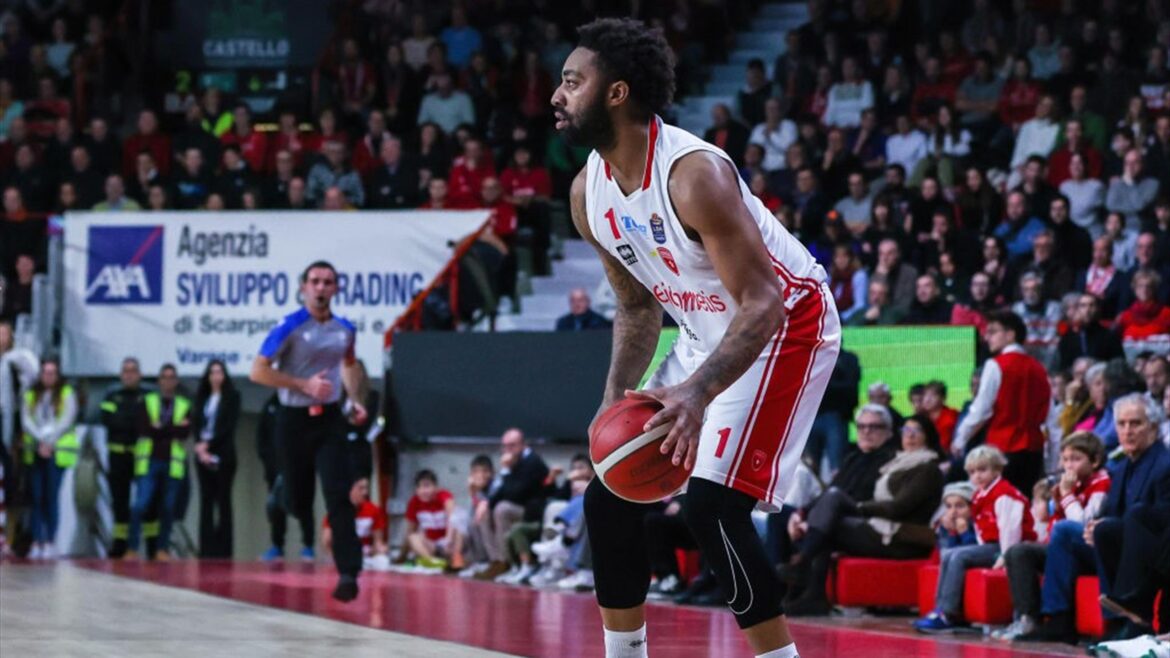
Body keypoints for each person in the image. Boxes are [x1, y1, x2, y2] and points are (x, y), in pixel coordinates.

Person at [552, 19, 841, 658]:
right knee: (609, 493)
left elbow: (764, 304)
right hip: (702, 334)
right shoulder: (587, 193)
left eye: (572, 82)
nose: (557, 95)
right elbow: (635, 308)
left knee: (711, 508)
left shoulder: (693, 175)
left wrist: (696, 393)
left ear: (617, 93)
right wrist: (613, 399)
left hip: (785, 326)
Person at [250, 260, 369, 602]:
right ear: (303, 287)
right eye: (315, 281)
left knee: (339, 494)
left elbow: (348, 365)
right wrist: (303, 384)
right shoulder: (289, 327)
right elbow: (257, 372)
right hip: (293, 421)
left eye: (327, 282)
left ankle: (348, 573)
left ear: (336, 289)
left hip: (329, 419)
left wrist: (354, 400)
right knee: (299, 501)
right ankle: (284, 495)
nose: (321, 288)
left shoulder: (344, 329)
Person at [1021, 395, 1170, 643]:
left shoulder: (1165, 464)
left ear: (1153, 428)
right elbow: (1111, 514)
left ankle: (1121, 620)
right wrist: (1096, 526)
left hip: (1153, 550)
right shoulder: (1121, 467)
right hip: (1121, 542)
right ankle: (1058, 619)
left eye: (1136, 423)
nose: (1127, 431)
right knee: (1068, 533)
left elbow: (1162, 520)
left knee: (1107, 528)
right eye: (1121, 424)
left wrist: (1106, 525)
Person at [779, 411, 941, 615]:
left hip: (901, 537)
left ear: (927, 436)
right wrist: (803, 513)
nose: (910, 435)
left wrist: (859, 508)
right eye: (907, 429)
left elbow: (898, 507)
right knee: (822, 518)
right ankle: (806, 590)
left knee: (832, 511)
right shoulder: (895, 463)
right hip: (880, 527)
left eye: (917, 430)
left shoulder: (928, 469)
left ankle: (805, 577)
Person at [994, 431, 1110, 641]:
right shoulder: (1074, 484)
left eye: (1076, 459)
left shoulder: (1102, 483)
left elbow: (1082, 524)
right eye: (1065, 459)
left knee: (1062, 531)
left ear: (1094, 461)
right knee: (1018, 552)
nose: (1069, 466)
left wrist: (1067, 495)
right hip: (1065, 548)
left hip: (1091, 548)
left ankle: (1058, 618)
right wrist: (1058, 502)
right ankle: (1028, 619)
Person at [914, 446, 1036, 633]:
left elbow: (1010, 529)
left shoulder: (1004, 494)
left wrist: (1005, 557)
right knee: (949, 554)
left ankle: (948, 613)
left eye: (982, 470)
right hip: (989, 545)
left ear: (997, 470)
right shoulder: (980, 494)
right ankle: (940, 609)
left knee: (959, 556)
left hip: (1007, 548)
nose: (977, 476)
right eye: (972, 472)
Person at [952, 311, 1051, 492]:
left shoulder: (995, 365)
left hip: (1002, 448)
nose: (987, 337)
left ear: (1010, 334)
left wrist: (960, 438)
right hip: (1034, 449)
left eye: (992, 331)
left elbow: (981, 409)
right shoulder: (1039, 368)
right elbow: (1049, 415)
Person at [129, 364, 190, 561]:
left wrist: (160, 428)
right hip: (149, 461)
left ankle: (162, 549)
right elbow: (144, 428)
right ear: (159, 380)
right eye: (164, 377)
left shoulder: (184, 404)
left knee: (168, 508)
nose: (168, 381)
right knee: (140, 505)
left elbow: (184, 432)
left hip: (173, 463)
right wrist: (171, 428)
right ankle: (132, 548)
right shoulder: (147, 401)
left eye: (171, 377)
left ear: (176, 381)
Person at [473, 428, 549, 581]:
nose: (508, 450)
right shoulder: (514, 462)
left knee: (502, 509)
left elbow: (516, 494)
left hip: (533, 512)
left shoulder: (533, 461)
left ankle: (508, 561)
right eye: (505, 446)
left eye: (512, 445)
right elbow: (500, 492)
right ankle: (496, 560)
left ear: (523, 444)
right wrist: (486, 503)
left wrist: (506, 470)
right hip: (518, 507)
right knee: (485, 512)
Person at [21, 358, 78, 559]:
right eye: (45, 372)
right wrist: (40, 440)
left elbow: (66, 420)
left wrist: (50, 441)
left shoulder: (66, 393)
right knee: (36, 497)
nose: (49, 376)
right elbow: (26, 420)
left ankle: (50, 540)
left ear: (58, 375)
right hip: (36, 450)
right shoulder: (31, 394)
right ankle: (37, 540)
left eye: (52, 373)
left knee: (51, 497)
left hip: (56, 451)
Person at [256, 392, 316, 562]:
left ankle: (308, 546)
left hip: (300, 465)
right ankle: (277, 545)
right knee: (276, 506)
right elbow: (261, 438)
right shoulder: (270, 405)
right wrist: (270, 463)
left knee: (304, 503)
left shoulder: (303, 403)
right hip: (275, 468)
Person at [191, 359, 240, 559]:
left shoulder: (232, 397)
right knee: (206, 501)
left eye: (219, 372)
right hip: (202, 454)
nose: (216, 376)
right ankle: (206, 549)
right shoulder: (202, 397)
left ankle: (224, 550)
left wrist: (209, 445)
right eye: (212, 372)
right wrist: (200, 446)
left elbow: (228, 427)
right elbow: (196, 424)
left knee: (223, 501)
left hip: (223, 454)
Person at [100, 357, 146, 558]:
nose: (129, 375)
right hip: (117, 455)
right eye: (125, 371)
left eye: (133, 371)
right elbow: (108, 420)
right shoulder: (112, 396)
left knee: (144, 503)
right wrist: (129, 422)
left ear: (140, 375)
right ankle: (120, 544)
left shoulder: (146, 397)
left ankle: (147, 545)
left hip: (140, 456)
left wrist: (127, 422)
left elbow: (144, 423)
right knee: (119, 501)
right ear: (121, 375)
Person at [404, 469, 463, 569]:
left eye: (426, 486)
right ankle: (432, 561)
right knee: (413, 537)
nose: (423, 491)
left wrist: (448, 539)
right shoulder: (414, 502)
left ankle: (456, 559)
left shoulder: (444, 495)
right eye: (419, 487)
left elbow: (453, 517)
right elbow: (410, 530)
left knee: (459, 528)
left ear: (435, 487)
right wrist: (407, 553)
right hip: (432, 545)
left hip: (448, 543)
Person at [322, 477, 388, 562]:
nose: (365, 492)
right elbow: (327, 542)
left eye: (366, 488)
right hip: (342, 557)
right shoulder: (337, 511)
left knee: (383, 560)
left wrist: (381, 549)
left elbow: (378, 542)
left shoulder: (374, 510)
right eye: (361, 488)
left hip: (367, 556)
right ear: (349, 489)